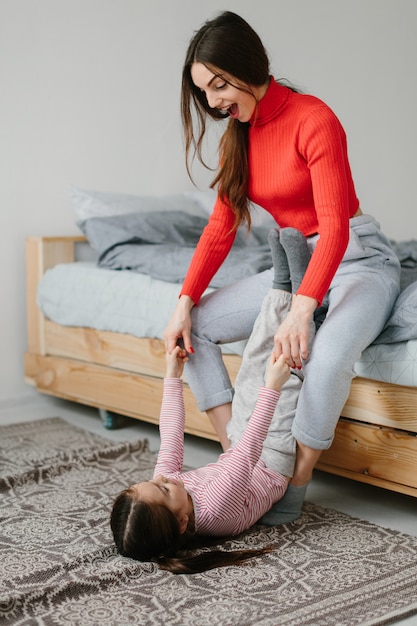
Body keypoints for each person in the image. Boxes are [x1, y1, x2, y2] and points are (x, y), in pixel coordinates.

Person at [164, 11, 401, 523]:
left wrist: (301, 310)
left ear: (250, 66)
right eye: (205, 91)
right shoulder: (239, 134)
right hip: (301, 267)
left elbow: (335, 227)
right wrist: (183, 303)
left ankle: (295, 483)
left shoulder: (314, 118)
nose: (214, 102)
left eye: (220, 85)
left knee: (328, 351)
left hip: (359, 260)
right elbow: (220, 228)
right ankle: (239, 459)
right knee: (197, 328)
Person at [111, 230, 313, 574]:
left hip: (244, 453)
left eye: (154, 481)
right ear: (181, 523)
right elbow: (247, 450)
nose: (167, 479)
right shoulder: (217, 508)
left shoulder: (170, 497)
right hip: (269, 461)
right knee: (283, 370)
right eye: (163, 488)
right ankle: (305, 293)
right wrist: (273, 387)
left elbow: (171, 437)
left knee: (252, 361)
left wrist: (172, 375)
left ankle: (282, 284)